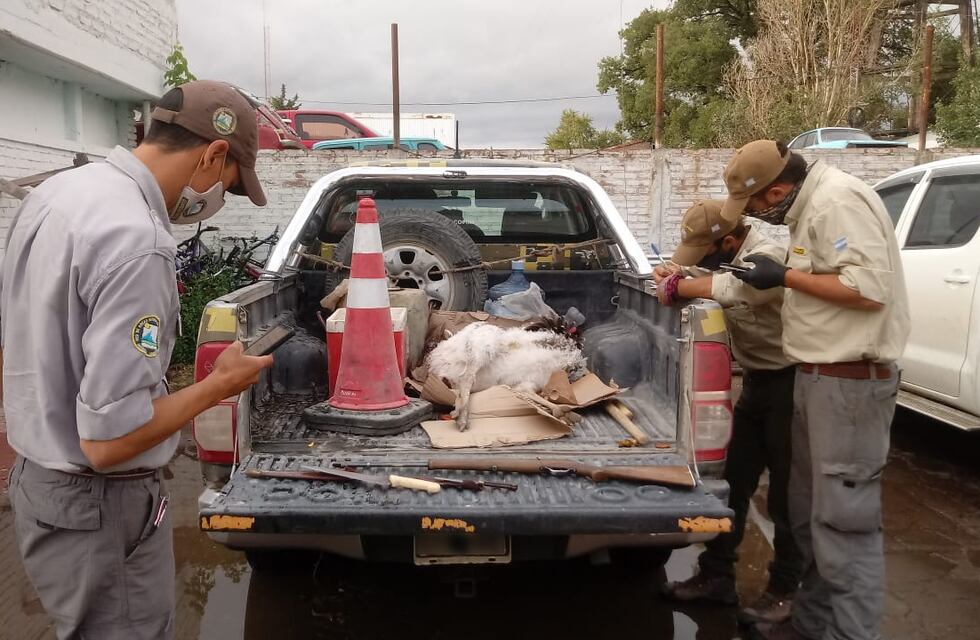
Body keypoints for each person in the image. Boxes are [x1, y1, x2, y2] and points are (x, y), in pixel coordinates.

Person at [1, 80, 274, 639]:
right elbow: (111, 442)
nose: (218, 199)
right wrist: (219, 384)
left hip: (38, 481)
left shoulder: (55, 196)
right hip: (98, 506)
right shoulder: (138, 242)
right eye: (228, 184)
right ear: (214, 154)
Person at [717, 140, 910, 640]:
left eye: (755, 205)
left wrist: (785, 276)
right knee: (808, 515)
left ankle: (849, 632)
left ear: (777, 190)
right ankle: (812, 623)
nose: (755, 217)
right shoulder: (811, 205)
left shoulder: (836, 202)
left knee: (845, 526)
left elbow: (868, 290)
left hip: (849, 385)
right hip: (817, 378)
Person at [654, 200, 803, 625]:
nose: (702, 261)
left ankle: (785, 592)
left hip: (792, 383)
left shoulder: (767, 256)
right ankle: (716, 578)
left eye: (706, 253)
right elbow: (708, 276)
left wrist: (681, 287)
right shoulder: (728, 257)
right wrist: (673, 274)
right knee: (734, 484)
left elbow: (742, 287)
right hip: (758, 382)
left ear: (731, 240)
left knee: (788, 496)